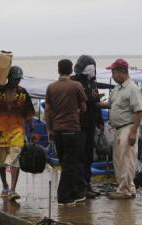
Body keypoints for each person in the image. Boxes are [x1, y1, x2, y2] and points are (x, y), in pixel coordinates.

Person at [0, 65, 35, 200]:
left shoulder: (23, 93)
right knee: (0, 162)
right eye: (15, 79)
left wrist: (32, 131)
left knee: (15, 159)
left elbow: (28, 114)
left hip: (16, 131)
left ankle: (12, 190)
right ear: (8, 78)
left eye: (19, 80)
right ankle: (5, 186)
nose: (17, 82)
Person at [45, 59, 87, 205]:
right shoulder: (76, 86)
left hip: (57, 131)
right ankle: (63, 196)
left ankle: (74, 191)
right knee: (71, 164)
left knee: (65, 163)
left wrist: (49, 129)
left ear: (58, 70)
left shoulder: (51, 87)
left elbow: (47, 111)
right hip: (72, 130)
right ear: (71, 70)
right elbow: (84, 107)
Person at [98, 58, 142, 199]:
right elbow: (109, 104)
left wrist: (134, 132)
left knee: (127, 160)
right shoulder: (117, 88)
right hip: (118, 128)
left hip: (128, 127)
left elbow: (139, 111)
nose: (112, 76)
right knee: (119, 160)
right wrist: (93, 102)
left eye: (114, 72)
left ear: (122, 72)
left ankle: (125, 191)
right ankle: (129, 188)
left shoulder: (132, 89)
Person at [71, 55, 103, 198]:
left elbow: (95, 103)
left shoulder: (93, 82)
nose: (92, 71)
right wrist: (92, 98)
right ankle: (79, 186)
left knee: (89, 156)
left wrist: (100, 120)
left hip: (90, 124)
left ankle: (87, 183)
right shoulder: (74, 82)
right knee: (80, 156)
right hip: (78, 125)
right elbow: (78, 101)